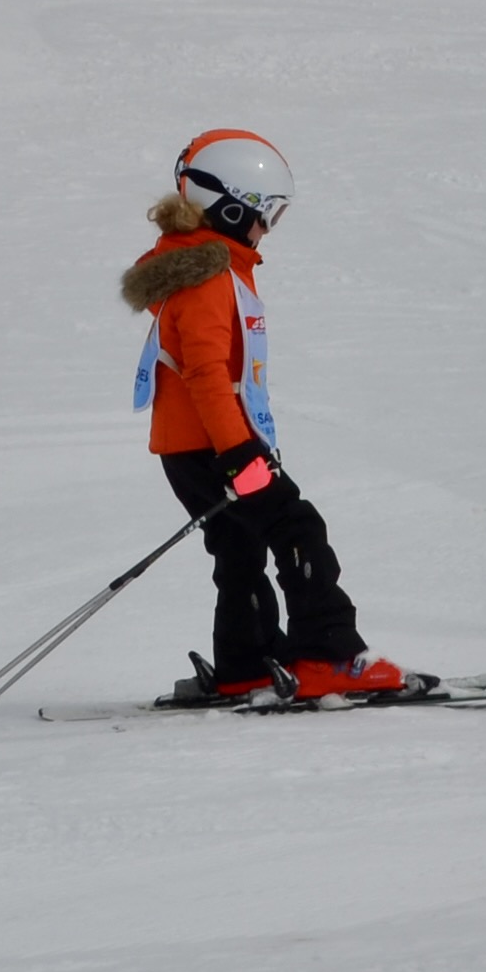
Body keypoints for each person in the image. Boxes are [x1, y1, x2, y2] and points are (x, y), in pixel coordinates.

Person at [120, 131, 429, 706]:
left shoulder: (197, 269)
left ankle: (248, 664)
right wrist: (241, 455)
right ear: (233, 208)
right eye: (266, 216)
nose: (267, 230)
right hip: (217, 447)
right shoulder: (209, 277)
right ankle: (328, 656)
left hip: (188, 449)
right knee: (298, 529)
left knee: (239, 547)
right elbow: (207, 374)